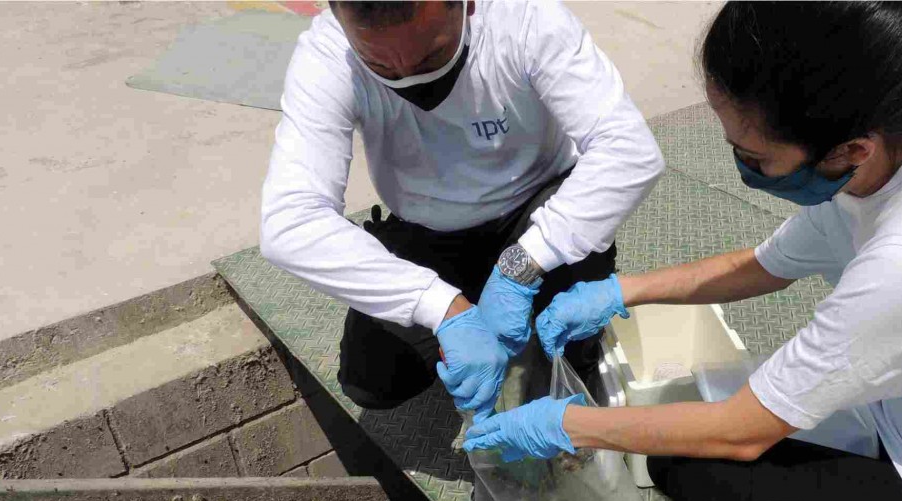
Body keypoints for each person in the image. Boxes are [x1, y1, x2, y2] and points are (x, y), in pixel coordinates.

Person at [465, 1, 902, 501]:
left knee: (700, 473)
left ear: (847, 149)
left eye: (753, 156)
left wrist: (561, 423)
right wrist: (616, 292)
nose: (741, 167)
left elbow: (736, 433)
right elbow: (762, 266)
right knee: (700, 412)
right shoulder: (898, 153)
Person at [260, 0, 663, 419]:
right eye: (381, 66)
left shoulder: (526, 16)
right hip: (427, 227)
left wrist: (521, 267)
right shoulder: (328, 53)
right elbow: (289, 221)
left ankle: (530, 322)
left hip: (533, 210)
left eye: (431, 56)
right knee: (373, 381)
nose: (411, 78)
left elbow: (630, 151)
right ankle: (468, 317)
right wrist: (441, 307)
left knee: (563, 348)